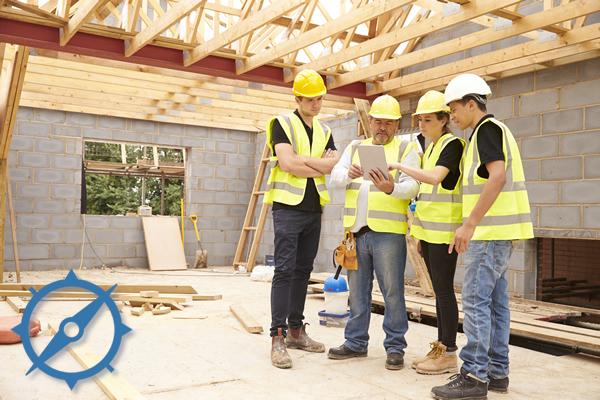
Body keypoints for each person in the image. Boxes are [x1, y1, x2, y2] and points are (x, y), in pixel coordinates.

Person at [431, 74, 534, 400]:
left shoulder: (486, 131)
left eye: (455, 109)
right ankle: (497, 373)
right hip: (499, 233)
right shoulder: (494, 131)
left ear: (471, 104)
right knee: (495, 305)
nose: (453, 116)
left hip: (489, 234)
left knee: (476, 302)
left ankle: (474, 376)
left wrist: (470, 224)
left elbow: (498, 176)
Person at [327, 95, 420, 370]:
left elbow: (413, 186)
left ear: (397, 124)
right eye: (378, 121)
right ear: (370, 121)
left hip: (388, 233)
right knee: (357, 292)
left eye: (389, 123)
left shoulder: (406, 150)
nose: (382, 127)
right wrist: (349, 174)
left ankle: (395, 348)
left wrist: (392, 187)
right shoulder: (356, 146)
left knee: (392, 292)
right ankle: (355, 343)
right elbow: (334, 178)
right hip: (356, 232)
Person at [263, 69, 339, 369]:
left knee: (303, 271)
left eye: (320, 99)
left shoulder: (325, 130)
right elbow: (287, 163)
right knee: (284, 270)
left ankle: (296, 330)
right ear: (297, 98)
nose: (317, 104)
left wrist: (304, 162)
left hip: (313, 208)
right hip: (287, 207)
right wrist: (316, 164)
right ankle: (277, 336)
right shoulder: (281, 124)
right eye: (311, 99)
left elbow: (331, 166)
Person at [388, 90, 465, 375]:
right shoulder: (429, 147)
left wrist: (398, 165)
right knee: (439, 292)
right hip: (430, 234)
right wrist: (418, 235)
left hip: (445, 233)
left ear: (444, 120)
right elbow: (423, 197)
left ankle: (448, 352)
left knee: (444, 292)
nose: (422, 125)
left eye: (428, 120)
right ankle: (441, 348)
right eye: (420, 120)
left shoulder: (452, 145)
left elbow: (434, 179)